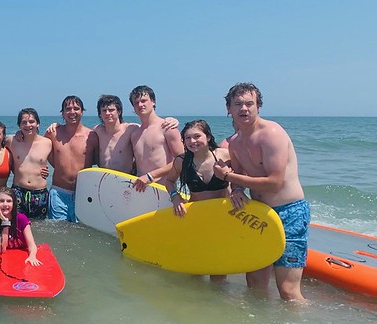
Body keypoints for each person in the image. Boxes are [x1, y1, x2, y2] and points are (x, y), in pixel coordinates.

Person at [213, 82, 309, 301]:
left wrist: (228, 177)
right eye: (237, 104)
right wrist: (236, 189)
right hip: (259, 213)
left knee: (288, 291)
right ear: (229, 109)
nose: (244, 109)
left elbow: (274, 182)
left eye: (249, 103)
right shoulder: (235, 143)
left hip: (289, 213)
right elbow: (239, 176)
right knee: (255, 284)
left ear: (258, 107)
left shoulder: (272, 133)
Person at [135, 120, 230, 280]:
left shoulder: (224, 155)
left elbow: (243, 174)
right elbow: (169, 181)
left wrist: (238, 190)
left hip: (221, 218)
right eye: (187, 138)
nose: (192, 141)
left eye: (197, 136)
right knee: (195, 269)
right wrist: (176, 197)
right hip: (195, 218)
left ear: (207, 137)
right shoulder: (182, 161)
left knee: (218, 271)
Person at [44, 96, 98, 222]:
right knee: (59, 232)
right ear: (62, 113)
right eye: (68, 109)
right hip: (58, 193)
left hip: (83, 194)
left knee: (82, 231)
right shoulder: (53, 133)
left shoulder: (92, 136)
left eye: (76, 108)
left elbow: (100, 161)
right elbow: (38, 149)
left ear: (82, 112)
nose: (72, 112)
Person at [7, 108, 52, 219]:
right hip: (18, 191)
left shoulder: (47, 142)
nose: (28, 125)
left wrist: (48, 171)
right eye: (24, 122)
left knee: (39, 228)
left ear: (38, 123)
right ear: (19, 125)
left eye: (32, 121)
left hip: (40, 193)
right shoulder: (11, 141)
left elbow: (58, 162)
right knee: (15, 225)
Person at [129, 85, 184, 176]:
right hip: (140, 187)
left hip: (162, 187)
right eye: (136, 103)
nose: (140, 105)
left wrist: (151, 176)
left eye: (143, 101)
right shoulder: (134, 134)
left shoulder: (167, 127)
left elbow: (182, 159)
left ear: (153, 102)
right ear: (134, 108)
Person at [0, 187, 41, 266]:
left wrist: (32, 256)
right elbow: (2, 249)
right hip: (6, 252)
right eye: (1, 201)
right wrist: (5, 222)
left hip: (22, 251)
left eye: (9, 201)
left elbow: (32, 245)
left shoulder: (22, 219)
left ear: (13, 203)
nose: (5, 204)